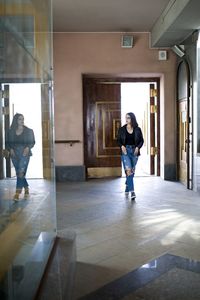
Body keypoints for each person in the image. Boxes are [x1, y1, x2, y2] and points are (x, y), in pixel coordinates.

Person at [7, 113, 35, 201]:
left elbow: (32, 142)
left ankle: (17, 193)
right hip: (14, 154)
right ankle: (26, 187)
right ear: (16, 120)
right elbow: (7, 142)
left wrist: (27, 147)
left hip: (24, 153)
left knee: (21, 172)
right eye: (19, 119)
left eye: (23, 119)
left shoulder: (29, 131)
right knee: (19, 172)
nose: (22, 120)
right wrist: (10, 148)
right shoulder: (10, 131)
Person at [117, 112, 144, 200]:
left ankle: (127, 186)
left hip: (134, 152)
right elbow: (118, 140)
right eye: (126, 117)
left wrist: (138, 147)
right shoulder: (122, 129)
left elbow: (141, 140)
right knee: (128, 171)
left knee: (131, 171)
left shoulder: (137, 129)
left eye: (128, 117)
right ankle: (132, 192)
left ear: (132, 118)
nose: (126, 119)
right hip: (125, 152)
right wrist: (122, 146)